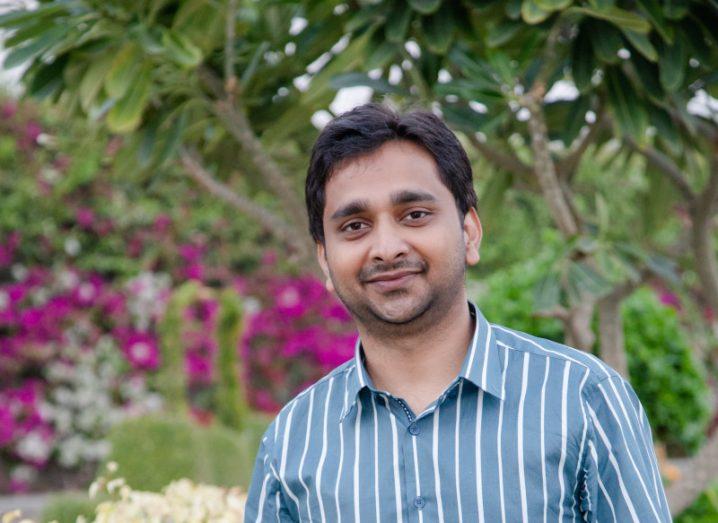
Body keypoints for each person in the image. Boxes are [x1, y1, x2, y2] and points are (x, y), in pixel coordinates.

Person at [244, 103, 671, 522]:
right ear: (325, 259)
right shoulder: (292, 442)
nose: (387, 247)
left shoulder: (583, 399)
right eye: (355, 226)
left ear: (469, 233)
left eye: (414, 215)